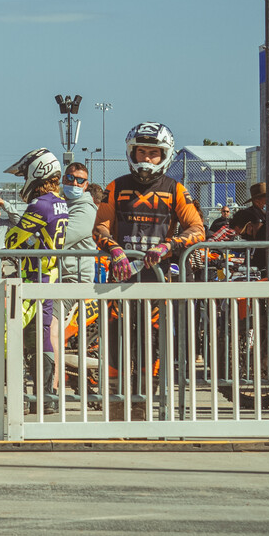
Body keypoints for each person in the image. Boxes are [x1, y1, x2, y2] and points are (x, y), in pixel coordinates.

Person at [93, 123, 204, 417]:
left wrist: (170, 245)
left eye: (154, 153)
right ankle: (116, 406)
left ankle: (143, 406)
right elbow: (100, 226)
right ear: (131, 152)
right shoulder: (115, 187)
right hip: (121, 279)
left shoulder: (176, 189)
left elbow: (197, 228)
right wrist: (113, 248)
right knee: (116, 341)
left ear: (165, 155)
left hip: (158, 282)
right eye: (141, 151)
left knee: (150, 344)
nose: (146, 159)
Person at [4, 148, 69, 413]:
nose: (24, 182)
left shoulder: (40, 205)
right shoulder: (60, 202)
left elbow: (11, 241)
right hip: (48, 277)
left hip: (35, 280)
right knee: (38, 338)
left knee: (12, 336)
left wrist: (23, 238)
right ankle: (44, 399)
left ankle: (32, 398)